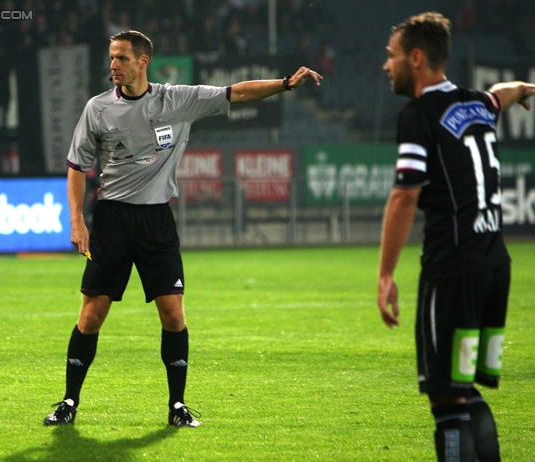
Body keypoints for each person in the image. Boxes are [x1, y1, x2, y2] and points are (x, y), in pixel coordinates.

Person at [43, 30, 322, 427]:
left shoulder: (178, 100)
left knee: (173, 315)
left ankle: (177, 406)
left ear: (143, 62)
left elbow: (236, 93)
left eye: (121, 58)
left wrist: (284, 84)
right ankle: (68, 402)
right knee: (91, 315)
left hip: (157, 221)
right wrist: (76, 220)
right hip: (113, 221)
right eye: (111, 58)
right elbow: (76, 168)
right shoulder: (98, 108)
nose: (113, 65)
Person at [377, 12, 535, 461]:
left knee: (446, 400)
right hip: (494, 266)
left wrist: (386, 274)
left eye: (391, 57)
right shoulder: (476, 104)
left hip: (452, 271)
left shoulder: (418, 115)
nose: (386, 66)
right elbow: (499, 97)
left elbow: (404, 197)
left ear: (417, 57)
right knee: (463, 391)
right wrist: (522, 89)